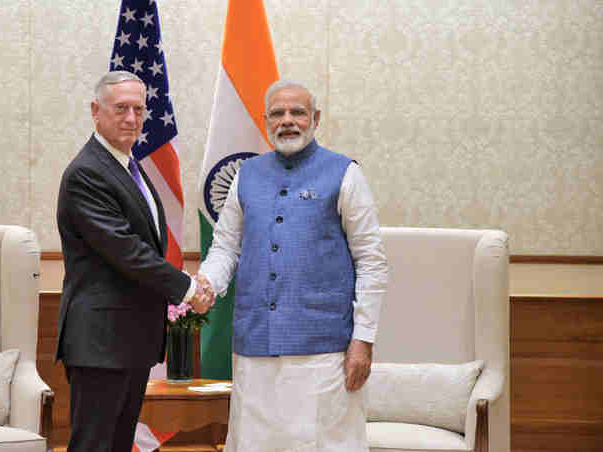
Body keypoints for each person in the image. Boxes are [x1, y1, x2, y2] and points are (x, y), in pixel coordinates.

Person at [197, 80, 389, 451]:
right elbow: (225, 247)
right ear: (265, 120)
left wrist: (363, 340)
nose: (288, 121)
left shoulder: (344, 172)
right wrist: (207, 284)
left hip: (324, 355)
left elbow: (372, 261)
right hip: (254, 351)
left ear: (315, 118)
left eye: (297, 112)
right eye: (278, 113)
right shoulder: (246, 175)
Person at [55, 70, 213, 452]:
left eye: (138, 110)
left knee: (117, 444)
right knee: (94, 444)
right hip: (100, 341)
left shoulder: (127, 164)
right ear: (96, 111)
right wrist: (189, 288)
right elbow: (126, 250)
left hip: (129, 340)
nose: (131, 119)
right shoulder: (87, 173)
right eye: (120, 108)